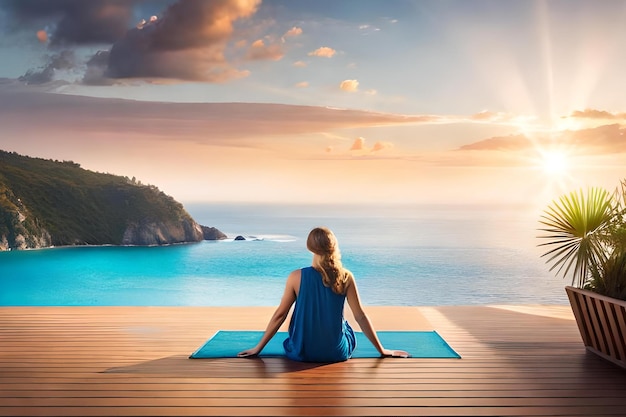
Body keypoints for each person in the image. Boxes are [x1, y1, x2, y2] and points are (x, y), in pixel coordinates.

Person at [237, 226, 409, 362]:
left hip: (302, 352)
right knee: (345, 324)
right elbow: (360, 317)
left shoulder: (296, 277)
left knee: (296, 322)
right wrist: (382, 350)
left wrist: (258, 348)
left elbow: (280, 314)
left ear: (309, 247)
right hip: (336, 353)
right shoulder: (346, 277)